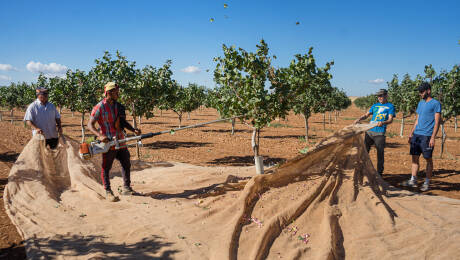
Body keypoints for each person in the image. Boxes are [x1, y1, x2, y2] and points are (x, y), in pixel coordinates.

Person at [87, 82, 141, 201]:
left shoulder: (119, 106)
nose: (118, 94)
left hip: (121, 140)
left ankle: (126, 188)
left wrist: (133, 130)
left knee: (126, 163)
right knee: (106, 167)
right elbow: (89, 125)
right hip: (108, 142)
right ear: (109, 93)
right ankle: (108, 191)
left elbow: (122, 122)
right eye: (116, 92)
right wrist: (100, 136)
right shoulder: (99, 107)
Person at [405, 82, 441, 192]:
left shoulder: (435, 103)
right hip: (417, 135)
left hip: (427, 136)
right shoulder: (420, 103)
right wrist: (411, 133)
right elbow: (417, 119)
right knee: (414, 158)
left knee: (428, 159)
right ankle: (413, 179)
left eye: (422, 91)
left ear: (428, 91)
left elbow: (437, 121)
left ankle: (427, 182)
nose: (420, 94)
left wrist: (433, 137)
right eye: (419, 92)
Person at [354, 89, 395, 175]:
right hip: (369, 131)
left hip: (380, 133)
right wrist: (359, 119)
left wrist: (383, 122)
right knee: (364, 151)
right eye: (378, 96)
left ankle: (379, 173)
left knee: (380, 153)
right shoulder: (375, 106)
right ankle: (361, 171)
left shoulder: (390, 106)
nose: (379, 97)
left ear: (386, 96)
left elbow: (390, 119)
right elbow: (366, 115)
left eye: (381, 95)